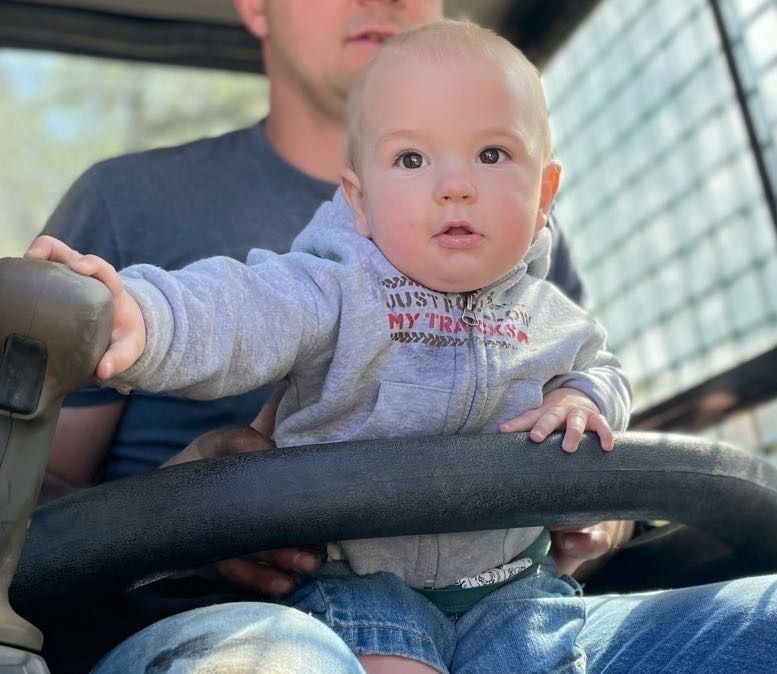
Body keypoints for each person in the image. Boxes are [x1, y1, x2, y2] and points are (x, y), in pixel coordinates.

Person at [34, 2, 777, 673]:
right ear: (354, 197)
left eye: (491, 155)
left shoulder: (531, 282)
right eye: (410, 159)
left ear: (540, 191)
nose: (455, 186)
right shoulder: (320, 276)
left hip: (517, 598)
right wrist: (139, 317)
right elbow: (237, 309)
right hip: (323, 604)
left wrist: (593, 480)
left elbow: (594, 369)